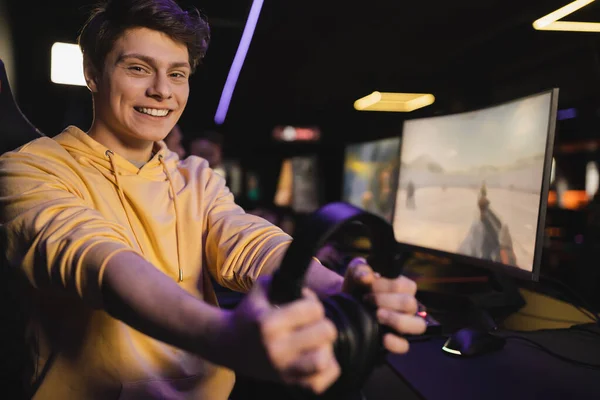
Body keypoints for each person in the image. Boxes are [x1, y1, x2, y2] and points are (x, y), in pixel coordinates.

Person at [0, 1, 426, 399]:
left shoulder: (195, 175)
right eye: (138, 68)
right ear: (92, 73)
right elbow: (97, 260)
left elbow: (248, 243)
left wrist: (343, 289)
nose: (162, 91)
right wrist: (223, 335)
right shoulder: (30, 168)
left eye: (178, 74)